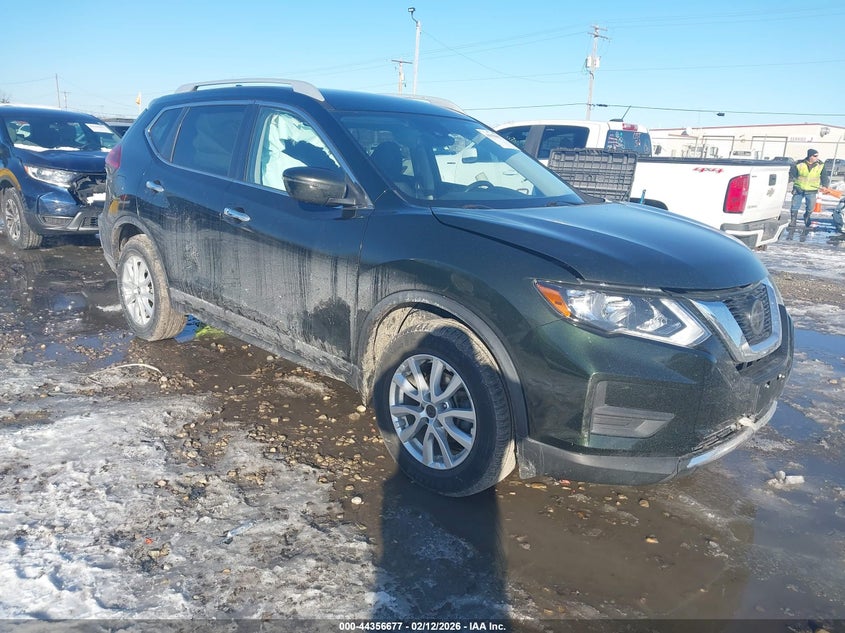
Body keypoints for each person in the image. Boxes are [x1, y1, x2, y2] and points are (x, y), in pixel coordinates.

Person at [790, 149, 830, 227]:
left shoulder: (820, 165)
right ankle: (793, 220)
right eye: (815, 156)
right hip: (799, 188)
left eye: (817, 156)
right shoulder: (799, 164)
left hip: (812, 190)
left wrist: (825, 185)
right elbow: (792, 174)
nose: (816, 157)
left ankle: (807, 216)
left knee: (810, 207)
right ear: (810, 156)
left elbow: (824, 176)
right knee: (794, 205)